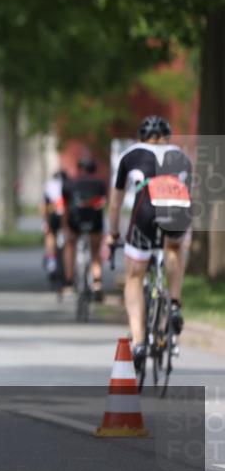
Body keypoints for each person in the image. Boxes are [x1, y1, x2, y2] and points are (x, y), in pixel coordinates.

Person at [107, 115, 193, 372]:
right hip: (177, 207)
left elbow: (115, 204)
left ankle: (139, 341)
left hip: (146, 208)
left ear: (141, 137)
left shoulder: (130, 155)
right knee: (174, 248)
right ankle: (174, 304)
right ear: (167, 137)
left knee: (134, 276)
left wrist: (113, 234)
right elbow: (190, 195)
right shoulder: (182, 156)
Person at [64, 157, 108, 300]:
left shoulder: (70, 183)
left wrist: (65, 226)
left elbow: (65, 207)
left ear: (79, 169)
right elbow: (103, 203)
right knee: (95, 251)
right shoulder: (100, 184)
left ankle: (69, 281)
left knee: (70, 246)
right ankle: (97, 283)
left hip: (75, 221)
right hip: (94, 221)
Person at [41, 170, 68, 284]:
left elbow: (44, 205)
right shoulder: (69, 184)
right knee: (68, 239)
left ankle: (51, 263)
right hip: (65, 215)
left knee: (50, 236)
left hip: (52, 213)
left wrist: (45, 222)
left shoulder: (49, 186)